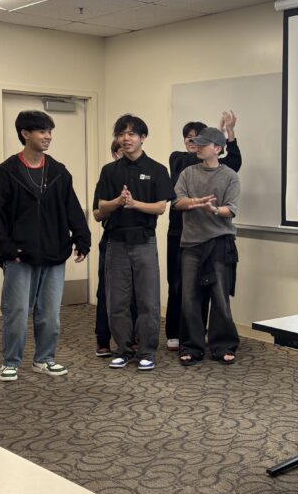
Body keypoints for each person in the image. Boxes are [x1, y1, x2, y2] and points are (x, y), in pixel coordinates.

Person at [0, 110, 91, 382]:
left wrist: (82, 237)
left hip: (54, 253)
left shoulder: (58, 171)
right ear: (25, 134)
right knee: (16, 313)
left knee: (50, 315)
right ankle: (11, 362)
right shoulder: (6, 172)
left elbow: (72, 208)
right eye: (42, 131)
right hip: (20, 256)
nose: (48, 137)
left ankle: (44, 359)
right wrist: (7, 250)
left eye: (50, 131)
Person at [93, 115, 172, 371]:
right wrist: (117, 202)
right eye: (121, 134)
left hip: (144, 242)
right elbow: (98, 211)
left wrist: (133, 203)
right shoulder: (109, 170)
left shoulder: (157, 169)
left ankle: (147, 351)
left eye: (131, 134)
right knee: (117, 300)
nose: (126, 138)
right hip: (116, 242)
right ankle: (123, 350)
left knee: (148, 300)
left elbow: (160, 208)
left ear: (142, 138)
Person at [165, 112, 242, 350]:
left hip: (218, 239)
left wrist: (228, 134)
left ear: (217, 149)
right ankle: (187, 342)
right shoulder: (182, 163)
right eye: (191, 140)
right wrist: (194, 202)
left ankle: (221, 343)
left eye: (200, 142)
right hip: (186, 238)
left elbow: (231, 204)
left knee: (219, 295)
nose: (194, 145)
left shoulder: (228, 174)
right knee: (185, 292)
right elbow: (177, 200)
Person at [93, 139, 137, 356]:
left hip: (138, 241)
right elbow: (97, 214)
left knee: (136, 293)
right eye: (120, 152)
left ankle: (133, 338)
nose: (124, 156)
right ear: (114, 154)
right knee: (106, 292)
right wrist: (117, 202)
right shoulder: (108, 175)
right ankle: (103, 339)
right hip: (112, 239)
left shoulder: (143, 174)